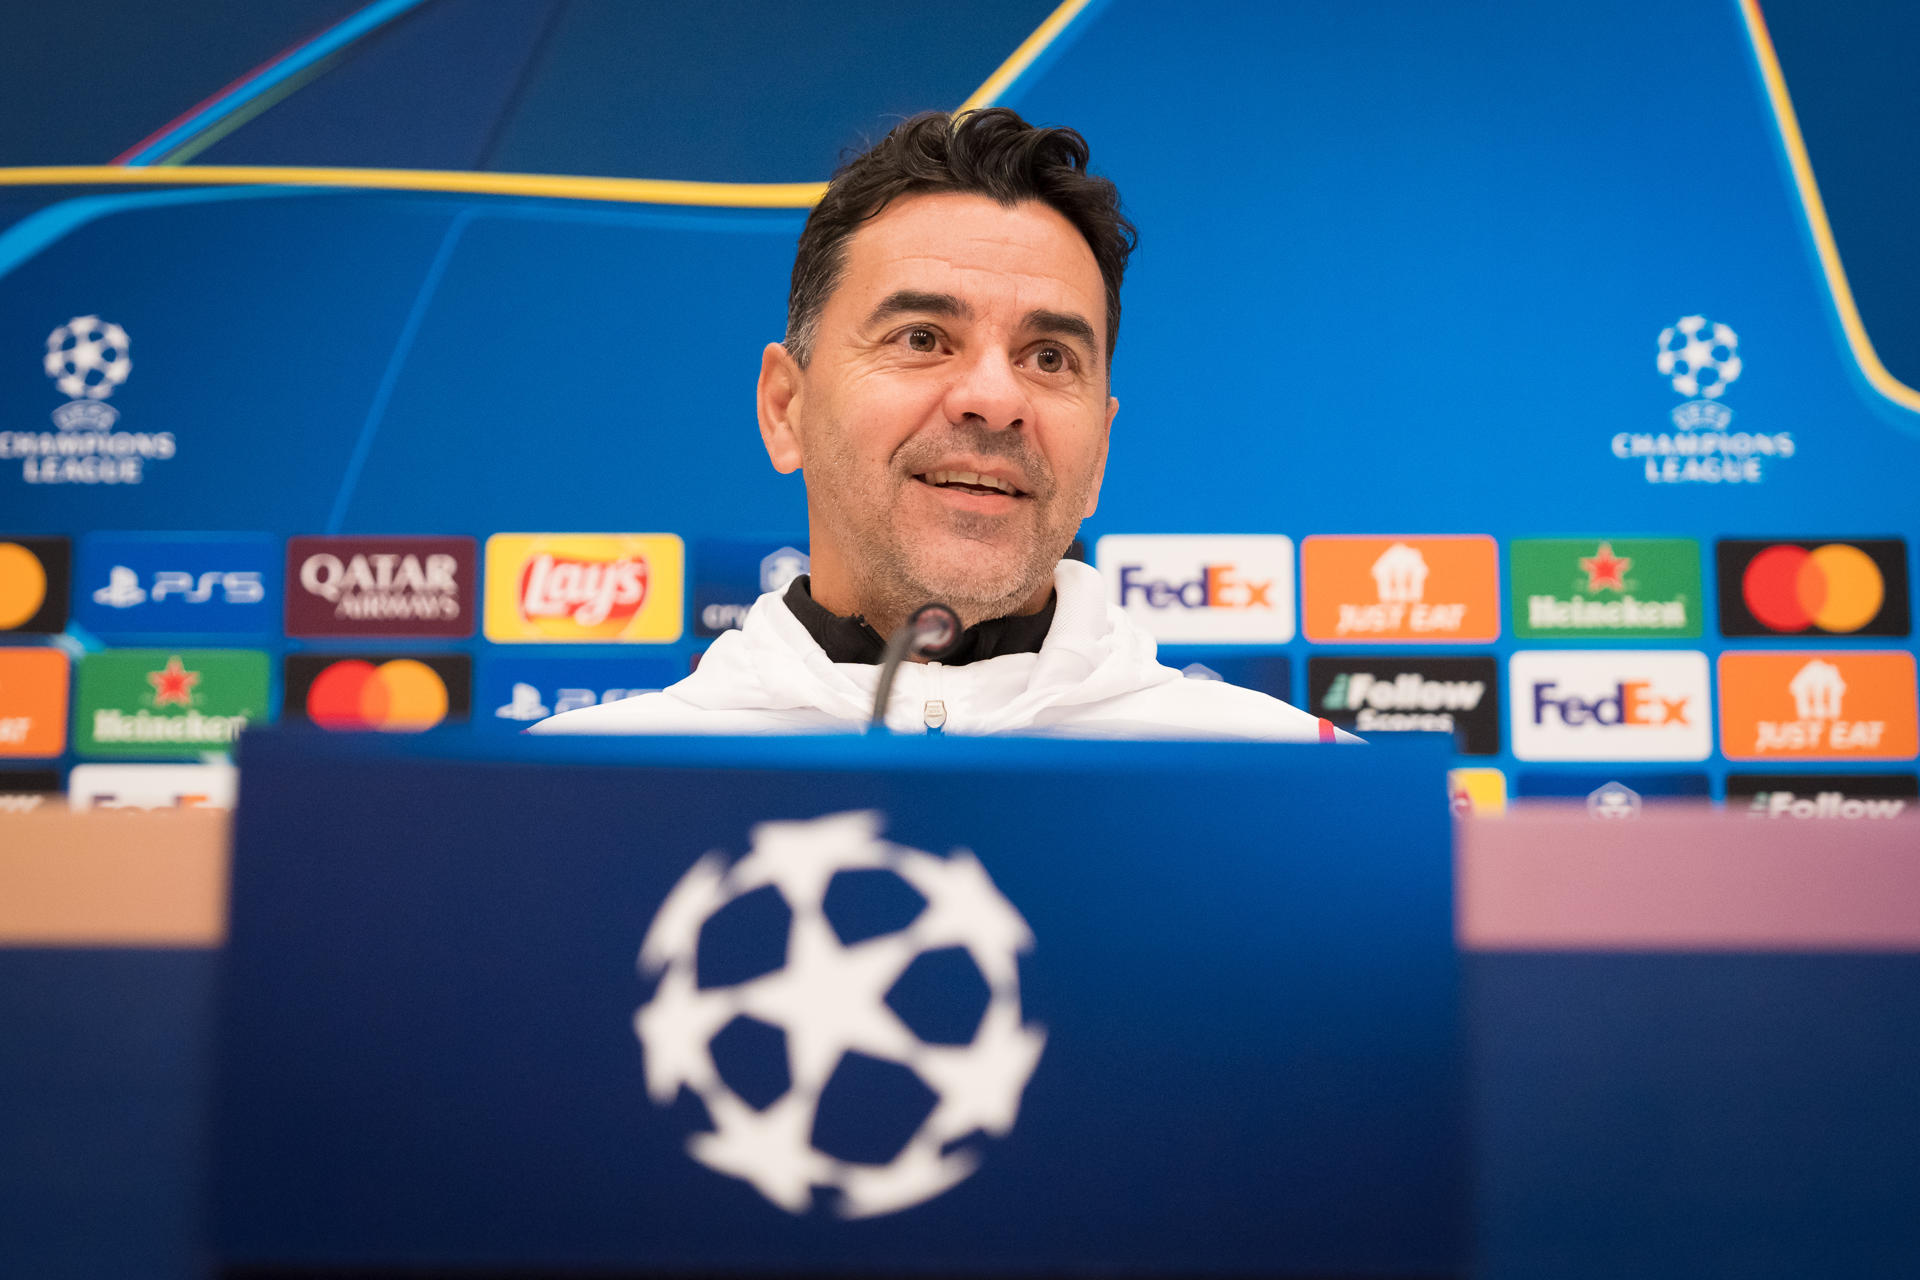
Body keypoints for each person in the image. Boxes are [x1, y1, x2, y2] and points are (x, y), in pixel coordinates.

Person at [534, 108, 1343, 741]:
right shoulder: (559, 804)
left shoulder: (1305, 794)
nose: (995, 398)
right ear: (787, 409)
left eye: (1051, 357)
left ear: (1098, 453)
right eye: (922, 339)